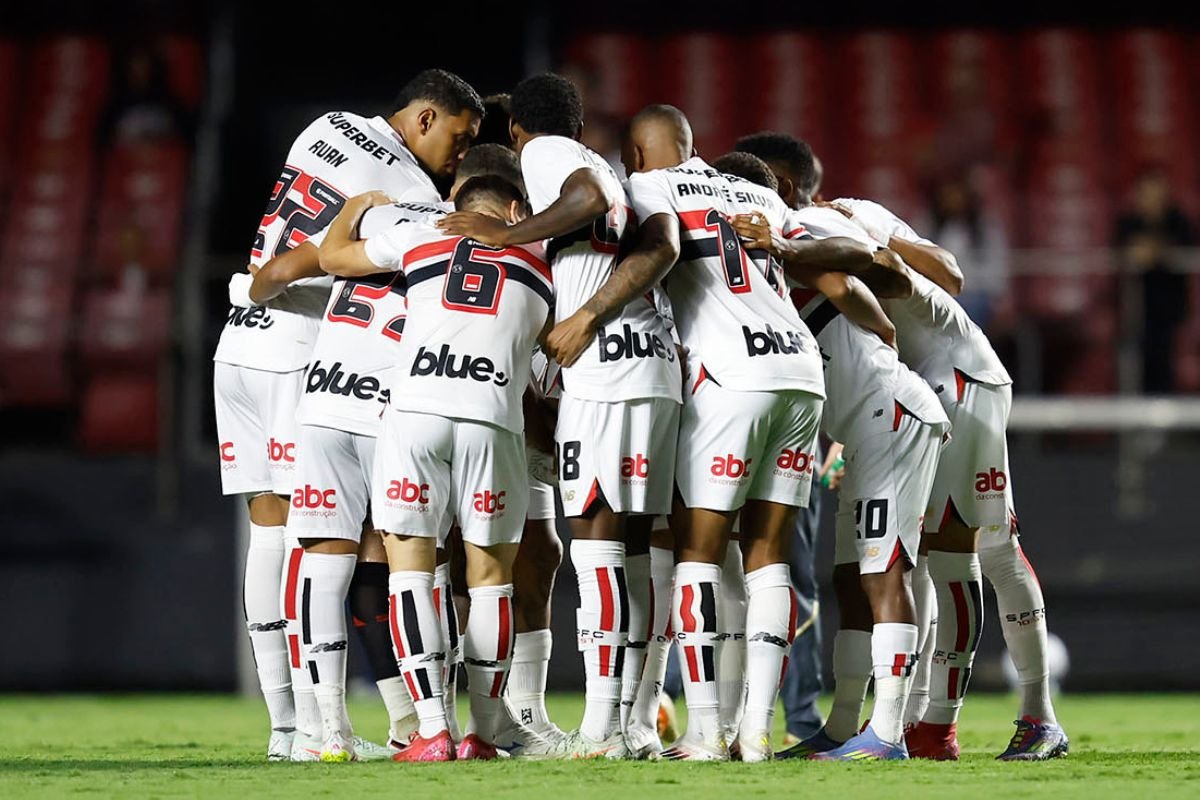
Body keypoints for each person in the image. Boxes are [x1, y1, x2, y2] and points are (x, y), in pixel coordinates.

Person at [546, 105, 873, 761]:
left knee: (698, 553)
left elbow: (652, 252)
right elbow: (856, 253)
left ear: (637, 155)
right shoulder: (756, 193)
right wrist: (786, 247)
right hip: (800, 370)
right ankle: (755, 732)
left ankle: (704, 731)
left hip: (729, 376)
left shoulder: (646, 187)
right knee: (769, 555)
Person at [741, 131, 1068, 761]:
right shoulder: (817, 229)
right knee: (910, 558)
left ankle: (1023, 716)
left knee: (975, 551)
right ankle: (907, 721)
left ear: (778, 187)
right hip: (907, 386)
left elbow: (938, 273)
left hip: (958, 373)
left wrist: (859, 241)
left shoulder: (827, 223)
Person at [213, 68, 482, 762]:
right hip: (306, 345)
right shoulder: (412, 191)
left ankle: (289, 727)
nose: (456, 156)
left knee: (269, 536)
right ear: (425, 118)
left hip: (240, 342)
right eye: (457, 138)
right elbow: (321, 255)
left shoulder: (328, 124)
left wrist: (251, 286)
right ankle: (311, 728)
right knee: (319, 541)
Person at [439, 74, 682, 759]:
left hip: (603, 370)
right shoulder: (613, 171)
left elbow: (586, 198)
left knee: (597, 546)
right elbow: (659, 238)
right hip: (653, 361)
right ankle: (635, 721)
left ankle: (602, 728)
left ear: (519, 131)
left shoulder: (546, 154)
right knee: (640, 549)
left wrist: (507, 234)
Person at [725, 152, 950, 762]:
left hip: (891, 417)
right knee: (851, 578)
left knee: (883, 571)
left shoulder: (794, 234)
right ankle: (845, 723)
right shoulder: (753, 266)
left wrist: (880, 346)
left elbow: (860, 276)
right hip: (864, 426)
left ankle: (888, 733)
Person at [321, 175, 553, 761]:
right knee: (491, 579)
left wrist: (358, 204)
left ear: (457, 208)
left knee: (410, 573)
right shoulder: (542, 255)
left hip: (416, 412)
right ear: (516, 210)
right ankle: (483, 733)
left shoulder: (421, 236)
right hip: (493, 416)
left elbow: (332, 257)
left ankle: (431, 731)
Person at [1112, 168, 1195, 393]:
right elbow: (1124, 248)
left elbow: (1183, 242)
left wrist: (1155, 250)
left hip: (1171, 306)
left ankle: (1167, 403)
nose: (1152, 200)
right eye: (1147, 194)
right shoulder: (1128, 221)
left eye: (1157, 194)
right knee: (1137, 348)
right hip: (1134, 308)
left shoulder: (1179, 221)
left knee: (1163, 348)